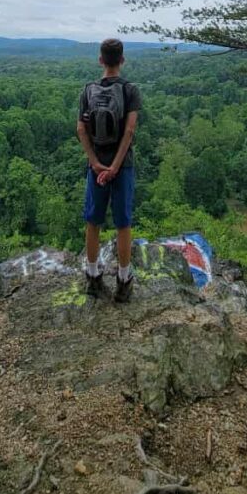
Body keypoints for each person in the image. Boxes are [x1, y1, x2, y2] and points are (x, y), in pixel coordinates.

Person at [76, 38, 141, 302]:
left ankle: (93, 277)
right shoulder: (130, 91)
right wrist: (115, 167)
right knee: (123, 223)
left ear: (100, 60)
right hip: (121, 166)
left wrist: (94, 161)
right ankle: (123, 281)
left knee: (94, 221)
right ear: (122, 60)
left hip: (96, 166)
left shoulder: (88, 90)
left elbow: (81, 129)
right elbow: (130, 130)